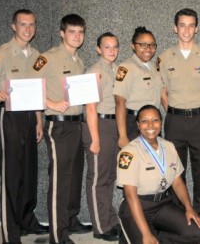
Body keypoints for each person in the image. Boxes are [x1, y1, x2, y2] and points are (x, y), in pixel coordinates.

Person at [30, 14, 92, 244]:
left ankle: (69, 219)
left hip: (77, 124)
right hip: (59, 126)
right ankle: (58, 234)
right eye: (72, 31)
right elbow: (27, 87)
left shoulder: (79, 61)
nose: (77, 36)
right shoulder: (47, 58)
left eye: (81, 32)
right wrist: (50, 104)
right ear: (61, 33)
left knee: (74, 177)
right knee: (60, 181)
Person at [0, 9, 47, 244]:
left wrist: (38, 121)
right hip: (10, 118)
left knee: (28, 174)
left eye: (32, 25)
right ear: (13, 26)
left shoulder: (37, 55)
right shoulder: (0, 54)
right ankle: (9, 234)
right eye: (23, 24)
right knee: (12, 176)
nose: (28, 29)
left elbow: (37, 91)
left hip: (29, 118)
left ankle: (26, 220)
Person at [117, 105, 200, 244]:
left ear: (161, 122)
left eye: (155, 120)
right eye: (145, 121)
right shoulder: (129, 153)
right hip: (138, 205)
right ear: (138, 125)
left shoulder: (169, 146)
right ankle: (133, 233)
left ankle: (157, 237)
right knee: (146, 239)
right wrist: (146, 234)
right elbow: (130, 195)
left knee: (197, 232)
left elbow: (177, 182)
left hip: (162, 204)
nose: (150, 125)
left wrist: (189, 208)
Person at [158, 8, 200, 214]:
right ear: (175, 28)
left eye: (191, 25)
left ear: (197, 28)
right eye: (182, 25)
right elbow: (162, 91)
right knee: (175, 170)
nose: (186, 30)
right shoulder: (165, 57)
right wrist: (173, 111)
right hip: (174, 120)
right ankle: (179, 213)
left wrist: (199, 110)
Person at [82, 32, 120, 241]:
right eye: (107, 47)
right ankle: (100, 227)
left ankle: (109, 219)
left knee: (109, 176)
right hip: (99, 125)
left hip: (113, 125)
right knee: (97, 178)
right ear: (98, 49)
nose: (112, 51)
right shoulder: (95, 72)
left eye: (115, 47)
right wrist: (95, 139)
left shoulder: (114, 70)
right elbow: (90, 108)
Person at [113, 26, 162, 148]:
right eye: (143, 45)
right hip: (134, 124)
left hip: (153, 124)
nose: (148, 49)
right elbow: (119, 103)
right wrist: (123, 136)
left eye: (152, 45)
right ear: (133, 46)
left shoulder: (154, 68)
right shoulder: (126, 67)